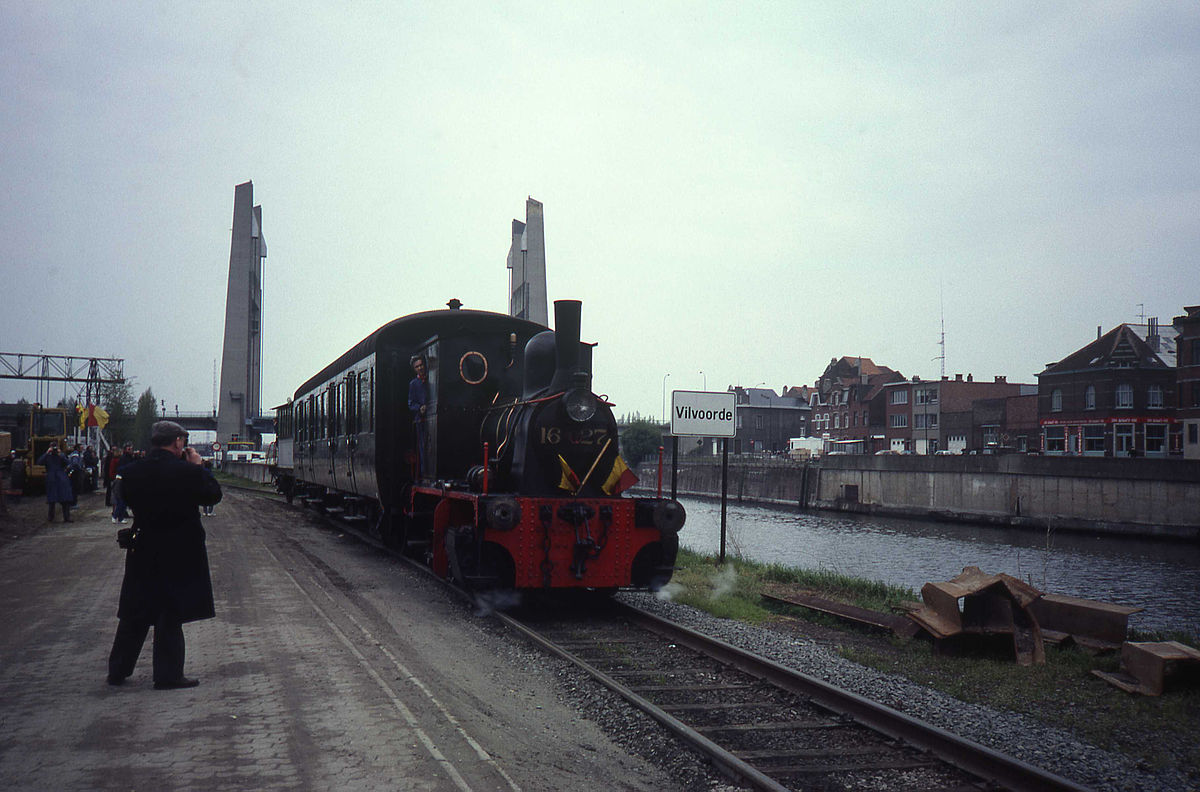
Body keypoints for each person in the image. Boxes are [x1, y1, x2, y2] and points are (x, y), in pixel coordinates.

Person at [107, 420, 222, 690]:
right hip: (179, 551)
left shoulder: (131, 471)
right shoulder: (186, 472)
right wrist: (198, 467)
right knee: (170, 612)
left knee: (135, 612)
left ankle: (118, 670)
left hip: (143, 546)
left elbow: (123, 497)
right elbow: (212, 496)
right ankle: (168, 674)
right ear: (178, 442)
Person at [36, 444, 73, 522]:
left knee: (65, 499)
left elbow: (68, 463)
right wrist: (47, 453)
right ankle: (51, 517)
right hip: (52, 479)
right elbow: (39, 462)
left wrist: (61, 455)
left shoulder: (61, 456)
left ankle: (66, 517)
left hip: (61, 479)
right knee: (52, 500)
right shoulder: (47, 457)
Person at [408, 354, 429, 476]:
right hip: (421, 419)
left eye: (421, 365)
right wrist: (419, 408)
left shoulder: (431, 379)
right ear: (414, 369)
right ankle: (424, 472)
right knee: (423, 446)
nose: (420, 368)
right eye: (417, 367)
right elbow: (410, 403)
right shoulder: (413, 384)